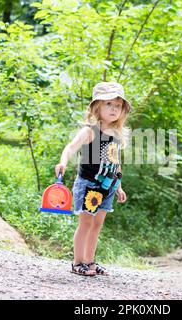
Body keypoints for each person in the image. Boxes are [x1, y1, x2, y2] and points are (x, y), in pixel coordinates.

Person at [55, 82, 131, 276]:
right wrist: (63, 162)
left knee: (97, 224)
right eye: (109, 104)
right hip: (88, 184)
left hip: (108, 187)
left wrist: (119, 185)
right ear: (97, 106)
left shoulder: (116, 135)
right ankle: (77, 262)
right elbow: (70, 147)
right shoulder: (90, 131)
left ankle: (89, 262)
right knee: (86, 223)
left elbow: (116, 164)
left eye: (118, 105)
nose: (114, 109)